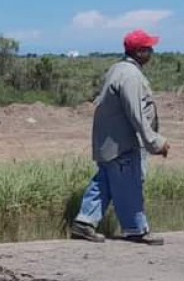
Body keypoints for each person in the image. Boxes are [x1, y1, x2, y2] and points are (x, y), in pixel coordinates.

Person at [70, 29, 170, 245]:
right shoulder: (131, 76)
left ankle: (84, 222)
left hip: (108, 141)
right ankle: (136, 229)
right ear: (139, 52)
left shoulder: (117, 69)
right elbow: (137, 114)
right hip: (122, 143)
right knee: (129, 184)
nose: (152, 52)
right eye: (148, 48)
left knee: (105, 182)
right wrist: (155, 142)